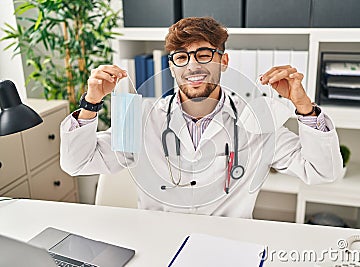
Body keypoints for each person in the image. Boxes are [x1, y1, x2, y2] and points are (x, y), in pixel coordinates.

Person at [60, 17, 342, 218]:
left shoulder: (256, 119)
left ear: (224, 61)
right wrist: (91, 102)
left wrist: (304, 107)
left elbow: (323, 172)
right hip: (159, 239)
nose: (193, 66)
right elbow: (78, 162)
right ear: (171, 67)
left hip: (229, 244)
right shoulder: (142, 117)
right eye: (181, 57)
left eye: (204, 54)